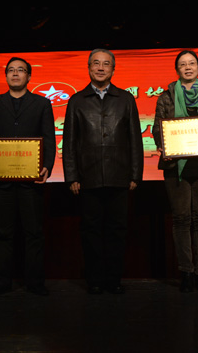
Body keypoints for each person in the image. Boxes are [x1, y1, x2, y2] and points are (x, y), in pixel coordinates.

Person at [62, 49, 143, 295]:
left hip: (119, 176)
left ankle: (114, 279)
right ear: (89, 68)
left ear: (113, 69)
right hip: (88, 177)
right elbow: (69, 142)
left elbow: (135, 140)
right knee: (91, 231)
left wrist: (135, 174)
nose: (100, 68)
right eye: (96, 63)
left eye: (106, 64)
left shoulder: (126, 99)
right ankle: (95, 280)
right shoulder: (76, 100)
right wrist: (72, 176)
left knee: (117, 231)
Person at [0, 57, 56, 297]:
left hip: (31, 179)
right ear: (6, 76)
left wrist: (47, 166)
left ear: (29, 76)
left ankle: (35, 283)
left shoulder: (42, 103)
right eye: (11, 70)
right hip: (2, 180)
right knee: (2, 233)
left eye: (20, 70)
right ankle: (1, 282)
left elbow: (49, 137)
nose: (15, 74)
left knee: (34, 233)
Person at [152, 50, 198, 293]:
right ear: (177, 70)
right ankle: (186, 272)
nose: (188, 67)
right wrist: (163, 143)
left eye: (192, 63)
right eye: (183, 64)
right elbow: (158, 128)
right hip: (176, 165)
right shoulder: (166, 96)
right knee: (181, 219)